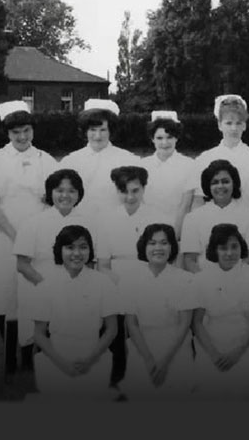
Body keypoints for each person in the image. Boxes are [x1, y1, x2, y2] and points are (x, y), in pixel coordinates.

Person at [0, 101, 57, 376]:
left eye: (26, 130)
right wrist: (15, 235)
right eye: (15, 133)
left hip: (39, 237)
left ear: (32, 129)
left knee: (35, 295)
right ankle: (10, 359)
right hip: (4, 237)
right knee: (6, 295)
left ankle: (29, 355)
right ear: (7, 133)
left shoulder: (46, 160)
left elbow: (56, 198)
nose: (22, 137)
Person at [96, 165, 171, 387]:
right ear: (116, 190)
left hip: (152, 276)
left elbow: (165, 256)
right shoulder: (106, 219)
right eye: (124, 191)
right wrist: (122, 285)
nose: (130, 197)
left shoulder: (159, 217)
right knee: (116, 327)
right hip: (115, 280)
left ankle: (149, 372)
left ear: (144, 189)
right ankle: (117, 376)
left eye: (135, 190)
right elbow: (103, 265)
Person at [29, 225, 122, 401]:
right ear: (59, 250)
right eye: (70, 247)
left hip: (94, 355)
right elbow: (39, 334)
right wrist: (61, 363)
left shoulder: (103, 283)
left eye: (83, 247)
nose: (77, 253)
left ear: (90, 250)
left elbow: (112, 330)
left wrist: (90, 359)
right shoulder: (46, 285)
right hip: (55, 357)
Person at [13, 169, 97, 359]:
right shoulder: (32, 223)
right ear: (50, 192)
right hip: (39, 284)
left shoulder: (90, 223)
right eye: (60, 190)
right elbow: (22, 264)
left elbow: (91, 262)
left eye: (72, 191)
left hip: (77, 285)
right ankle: (31, 357)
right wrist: (46, 286)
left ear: (79, 194)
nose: (65, 195)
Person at [191, 224, 249, 400]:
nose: (229, 253)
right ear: (214, 250)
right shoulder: (201, 279)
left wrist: (237, 352)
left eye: (234, 247)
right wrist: (213, 354)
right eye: (223, 248)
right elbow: (197, 322)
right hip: (210, 344)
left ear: (241, 247)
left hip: (245, 342)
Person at [121, 224, 197, 400]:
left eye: (164, 243)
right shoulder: (129, 280)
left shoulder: (186, 280)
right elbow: (131, 324)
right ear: (144, 247)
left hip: (177, 351)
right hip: (142, 349)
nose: (158, 248)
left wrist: (164, 362)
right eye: (152, 243)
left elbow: (185, 324)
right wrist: (148, 359)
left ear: (172, 247)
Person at [187, 95, 249, 217]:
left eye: (238, 123)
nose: (234, 128)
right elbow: (198, 202)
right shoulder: (204, 159)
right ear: (220, 125)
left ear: (244, 125)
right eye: (229, 123)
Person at [59, 99, 140, 218]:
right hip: (80, 224)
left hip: (116, 223)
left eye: (103, 130)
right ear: (85, 131)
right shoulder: (70, 161)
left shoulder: (128, 160)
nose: (97, 136)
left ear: (110, 131)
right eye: (93, 130)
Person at [180, 160, 249, 273]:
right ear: (207, 186)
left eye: (225, 181)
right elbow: (189, 261)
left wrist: (232, 281)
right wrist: (207, 282)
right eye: (214, 182)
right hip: (204, 284)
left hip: (241, 282)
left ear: (234, 183)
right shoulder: (192, 218)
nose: (220, 186)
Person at [140, 111, 196, 236]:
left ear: (176, 137)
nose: (165, 143)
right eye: (159, 138)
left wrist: (174, 237)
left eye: (169, 137)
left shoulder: (189, 165)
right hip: (147, 232)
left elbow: (185, 206)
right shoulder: (142, 166)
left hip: (178, 231)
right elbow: (140, 204)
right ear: (152, 139)